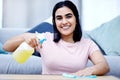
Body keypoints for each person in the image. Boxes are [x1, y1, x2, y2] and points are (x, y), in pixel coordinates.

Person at [3, 0, 109, 76]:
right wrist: (25, 36)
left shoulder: (87, 44)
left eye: (68, 16)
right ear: (55, 22)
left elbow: (104, 66)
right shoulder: (45, 38)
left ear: (76, 19)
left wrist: (90, 70)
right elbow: (6, 47)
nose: (64, 22)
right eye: (59, 18)